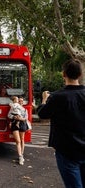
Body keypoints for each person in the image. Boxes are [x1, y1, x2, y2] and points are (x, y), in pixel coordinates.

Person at [37, 59, 85, 188]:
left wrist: (44, 101)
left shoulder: (58, 97)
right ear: (80, 74)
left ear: (63, 74)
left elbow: (42, 114)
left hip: (67, 150)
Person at [8, 96, 28, 165]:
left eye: (22, 101)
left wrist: (20, 119)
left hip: (22, 125)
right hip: (14, 124)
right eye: (19, 101)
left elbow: (26, 118)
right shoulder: (13, 108)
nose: (20, 102)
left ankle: (21, 154)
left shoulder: (25, 110)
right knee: (18, 141)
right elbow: (9, 115)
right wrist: (14, 117)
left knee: (22, 139)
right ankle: (20, 156)